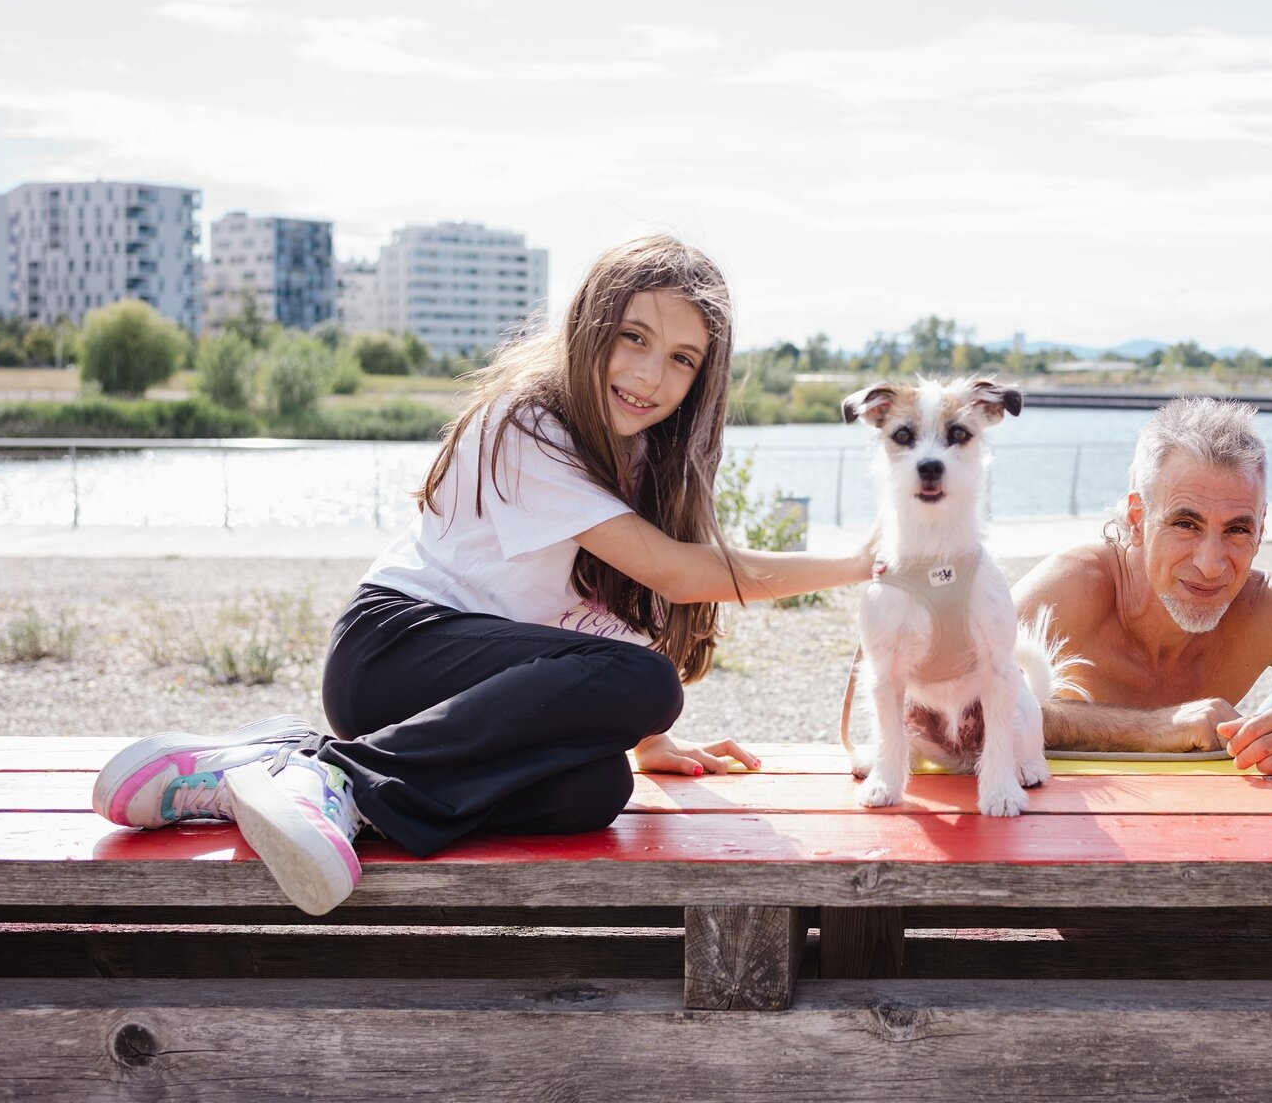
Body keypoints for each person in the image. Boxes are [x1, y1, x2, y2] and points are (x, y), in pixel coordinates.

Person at [91, 234, 875, 915]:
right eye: (632, 338)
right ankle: (331, 772)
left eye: (680, 359)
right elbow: (671, 575)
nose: (649, 374)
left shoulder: (641, 458)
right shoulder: (530, 422)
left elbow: (602, 616)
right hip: (396, 652)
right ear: (588, 326)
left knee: (596, 791)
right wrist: (855, 564)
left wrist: (648, 743)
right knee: (646, 681)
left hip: (471, 695)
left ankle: (257, 778)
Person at [1012, 398, 1272, 779]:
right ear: (1138, 520)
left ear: (1262, 530)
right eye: (1185, 524)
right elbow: (953, 709)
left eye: (1236, 530)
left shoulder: (1268, 608)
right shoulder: (1073, 587)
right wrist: (1150, 729)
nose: (1210, 565)